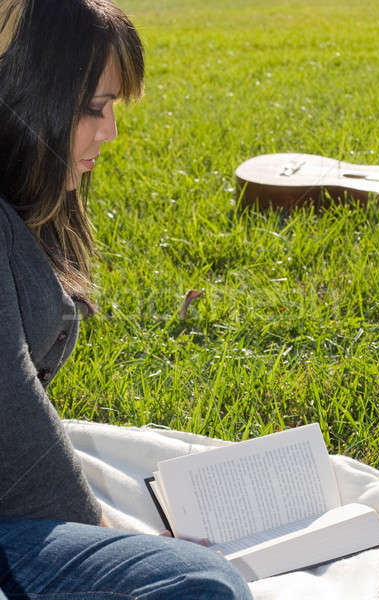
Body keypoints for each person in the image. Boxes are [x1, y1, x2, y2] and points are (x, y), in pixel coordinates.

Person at [0, 0, 252, 598]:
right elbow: (8, 404)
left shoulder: (29, 206)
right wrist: (111, 535)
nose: (110, 130)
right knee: (200, 586)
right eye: (93, 108)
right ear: (23, 94)